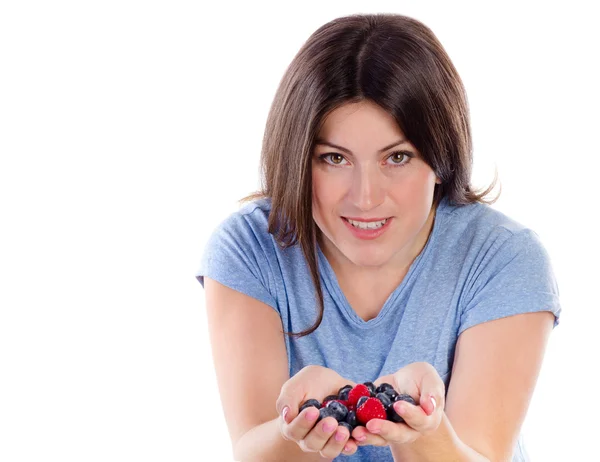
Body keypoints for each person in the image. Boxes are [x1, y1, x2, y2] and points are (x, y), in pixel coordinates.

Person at [195, 13, 561, 462]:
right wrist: (298, 433)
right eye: (334, 158)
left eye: (398, 157)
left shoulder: (503, 259)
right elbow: (249, 451)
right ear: (296, 158)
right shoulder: (249, 249)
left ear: (441, 157)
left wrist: (419, 431)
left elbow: (484, 452)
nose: (366, 197)